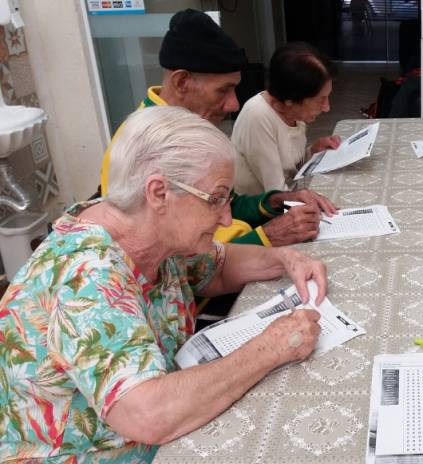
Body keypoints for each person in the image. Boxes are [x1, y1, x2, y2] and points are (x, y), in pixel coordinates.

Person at [0, 106, 327, 462]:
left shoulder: (143, 226)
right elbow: (149, 415)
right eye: (216, 199)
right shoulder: (87, 276)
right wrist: (271, 347)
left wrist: (285, 259)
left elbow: (216, 269)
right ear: (158, 193)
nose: (227, 217)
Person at [98, 8, 335, 247]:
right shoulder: (144, 147)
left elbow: (227, 205)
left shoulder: (190, 125)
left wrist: (281, 201)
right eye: (223, 90)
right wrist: (267, 236)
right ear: (182, 82)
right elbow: (177, 263)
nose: (234, 104)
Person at [232, 42, 342, 195]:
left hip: (287, 195)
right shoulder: (258, 116)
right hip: (261, 212)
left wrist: (312, 151)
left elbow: (288, 169)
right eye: (320, 99)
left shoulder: (292, 111)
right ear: (290, 98)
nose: (326, 107)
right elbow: (275, 193)